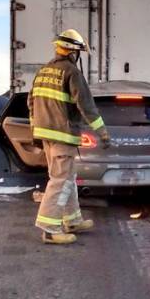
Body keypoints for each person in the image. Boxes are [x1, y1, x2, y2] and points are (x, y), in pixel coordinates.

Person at [30, 29, 110, 245]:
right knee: (60, 181)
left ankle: (72, 220)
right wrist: (102, 131)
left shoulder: (43, 72)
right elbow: (86, 105)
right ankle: (49, 228)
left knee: (68, 178)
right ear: (74, 53)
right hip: (63, 135)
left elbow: (31, 102)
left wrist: (35, 130)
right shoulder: (71, 72)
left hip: (46, 135)